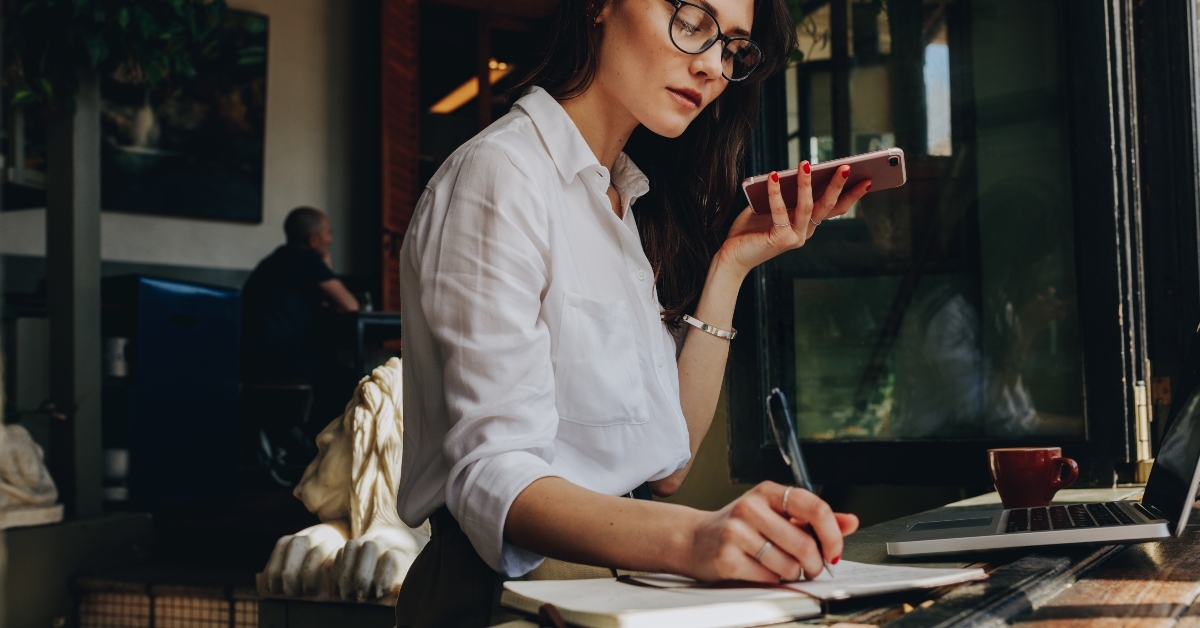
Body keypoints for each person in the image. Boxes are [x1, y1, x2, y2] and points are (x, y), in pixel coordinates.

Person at [395, 1, 872, 624]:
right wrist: (695, 539)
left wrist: (730, 266)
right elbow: (492, 477)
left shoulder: (621, 197)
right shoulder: (501, 175)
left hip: (623, 584)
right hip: (507, 598)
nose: (709, 67)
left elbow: (667, 466)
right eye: (693, 24)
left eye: (730, 48)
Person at [242, 207, 361, 442]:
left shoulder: (273, 261)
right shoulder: (305, 259)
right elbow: (350, 306)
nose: (331, 239)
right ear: (313, 239)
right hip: (281, 363)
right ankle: (315, 449)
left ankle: (303, 443)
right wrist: (326, 265)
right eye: (328, 233)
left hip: (251, 362)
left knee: (333, 372)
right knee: (348, 380)